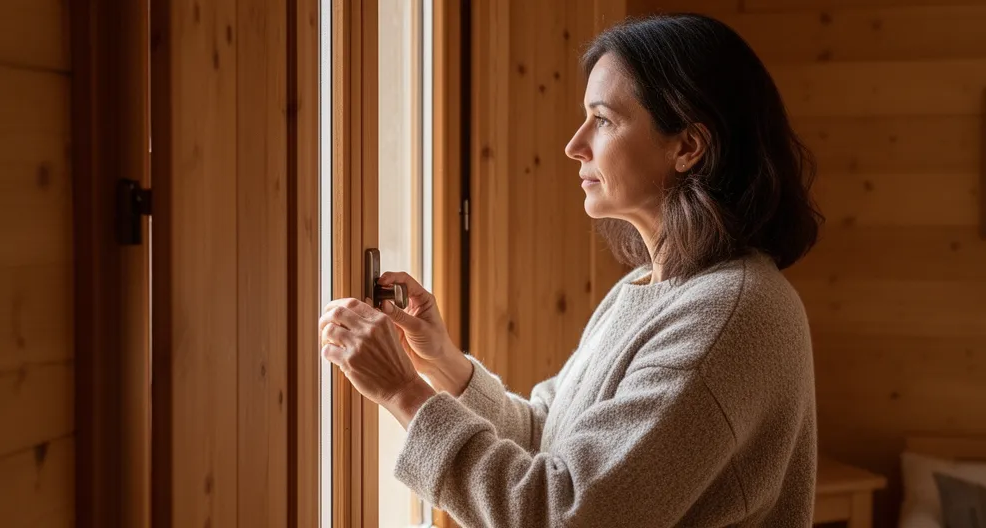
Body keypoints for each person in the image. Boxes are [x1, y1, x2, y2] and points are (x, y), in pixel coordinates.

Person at [319, 13, 823, 527]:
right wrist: (443, 364)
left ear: (688, 146)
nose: (574, 144)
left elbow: (564, 512)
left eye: (603, 120)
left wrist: (403, 392)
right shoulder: (647, 289)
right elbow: (549, 439)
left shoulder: (729, 317)